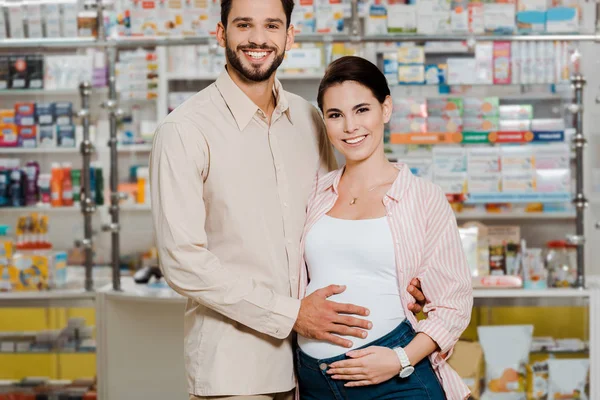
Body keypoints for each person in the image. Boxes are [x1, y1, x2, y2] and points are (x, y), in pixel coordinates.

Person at [149, 0, 428, 399]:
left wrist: (401, 280)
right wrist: (293, 314)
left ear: (289, 36)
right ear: (221, 33)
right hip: (235, 373)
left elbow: (339, 219)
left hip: (315, 369)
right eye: (243, 25)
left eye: (272, 26)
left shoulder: (311, 120)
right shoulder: (185, 131)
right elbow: (182, 262)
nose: (258, 39)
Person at [294, 56, 473, 400]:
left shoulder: (422, 198)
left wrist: (400, 359)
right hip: (315, 381)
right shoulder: (313, 194)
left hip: (395, 382)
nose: (350, 126)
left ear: (385, 109)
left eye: (362, 110)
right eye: (336, 115)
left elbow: (452, 304)